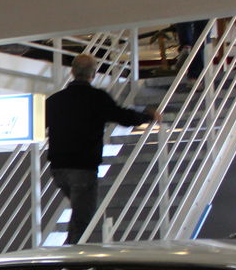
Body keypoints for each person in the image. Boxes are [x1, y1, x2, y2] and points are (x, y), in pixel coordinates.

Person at [46, 53, 161, 245]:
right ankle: (70, 258)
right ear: (93, 74)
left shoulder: (55, 100)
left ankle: (69, 253)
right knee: (83, 219)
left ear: (72, 72)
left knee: (79, 214)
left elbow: (40, 123)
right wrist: (148, 116)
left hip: (58, 169)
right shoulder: (97, 98)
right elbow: (123, 117)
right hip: (83, 167)